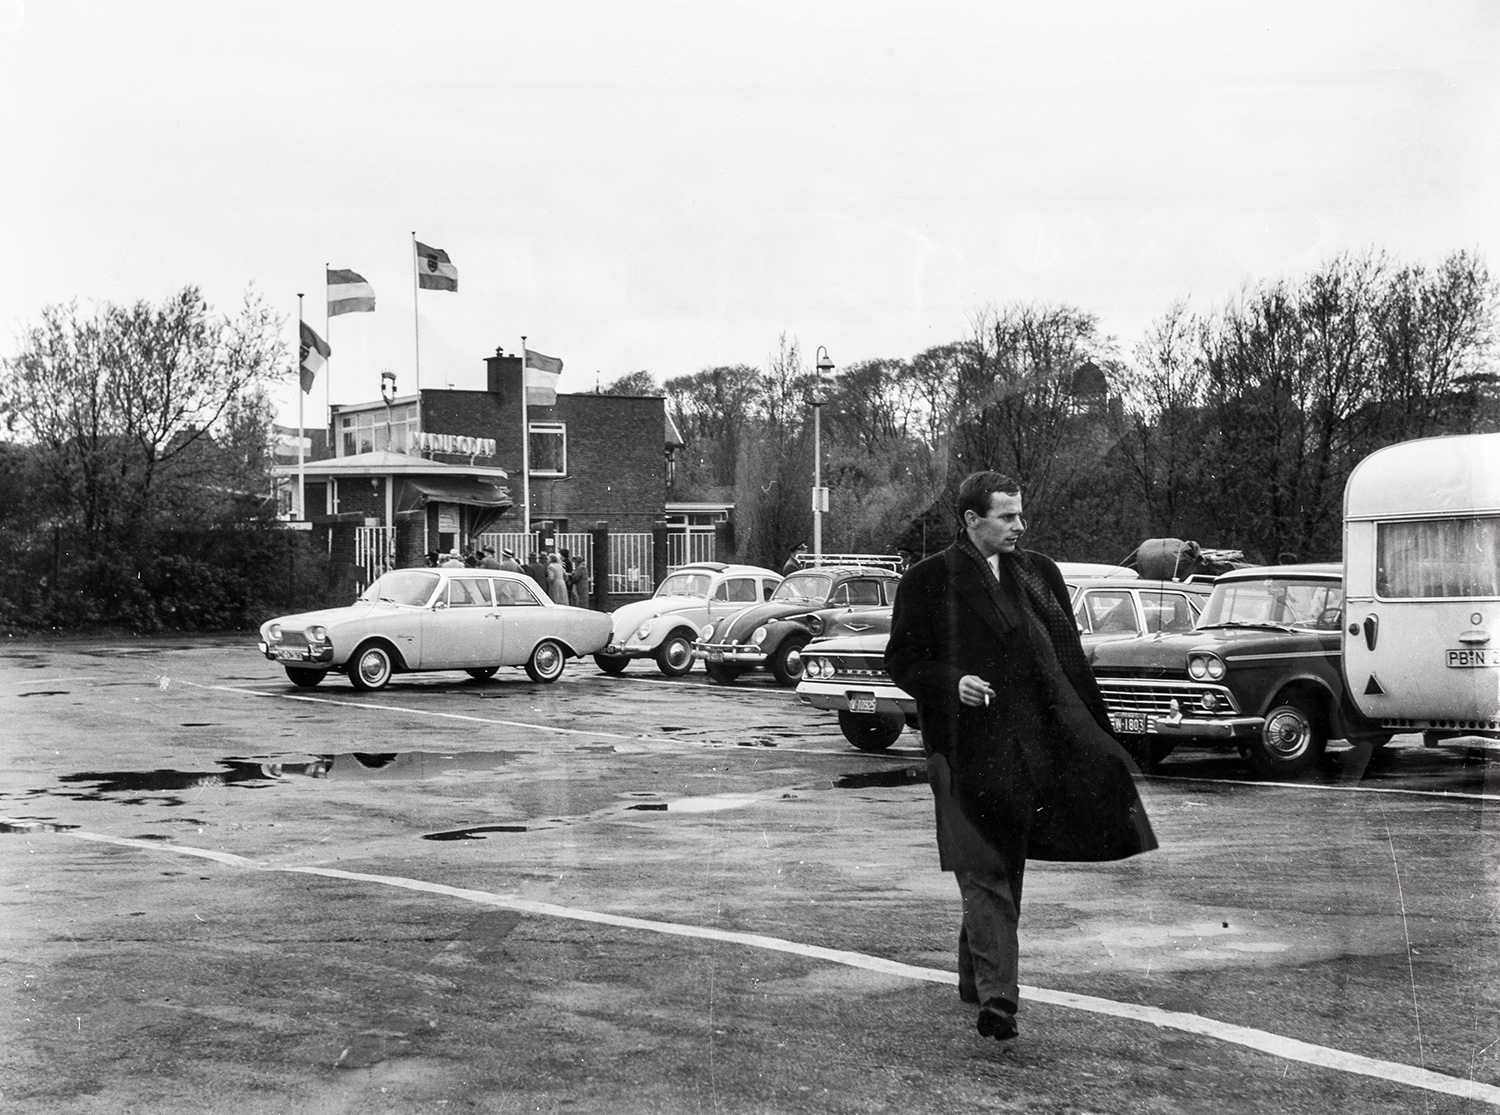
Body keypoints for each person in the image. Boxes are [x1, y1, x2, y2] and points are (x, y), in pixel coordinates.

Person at [885, 471, 1156, 1044]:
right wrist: (950, 681)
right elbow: (902, 661)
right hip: (961, 750)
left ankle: (974, 977)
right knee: (983, 867)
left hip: (1031, 746)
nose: (1019, 526)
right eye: (1006, 516)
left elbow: (1063, 656)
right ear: (971, 521)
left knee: (1002, 866)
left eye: (1020, 514)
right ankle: (999, 1000)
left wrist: (1089, 735)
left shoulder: (1040, 573)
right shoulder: (927, 579)